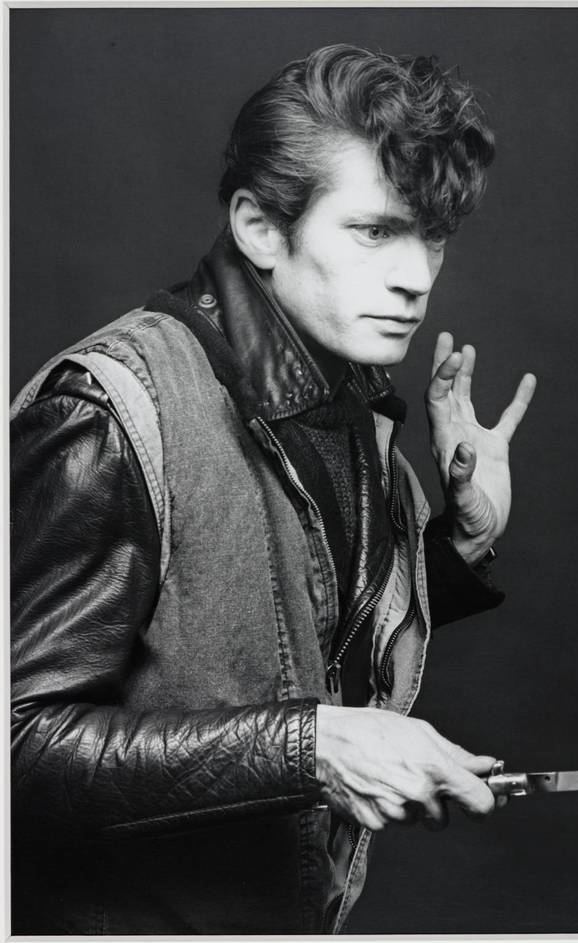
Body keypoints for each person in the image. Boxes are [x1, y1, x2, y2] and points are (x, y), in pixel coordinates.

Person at [10, 44, 536, 935]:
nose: (415, 277)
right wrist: (312, 746)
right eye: (374, 231)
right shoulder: (109, 410)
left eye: (432, 237)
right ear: (259, 227)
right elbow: (16, 742)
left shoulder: (346, 400)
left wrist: (460, 542)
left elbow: (279, 623)